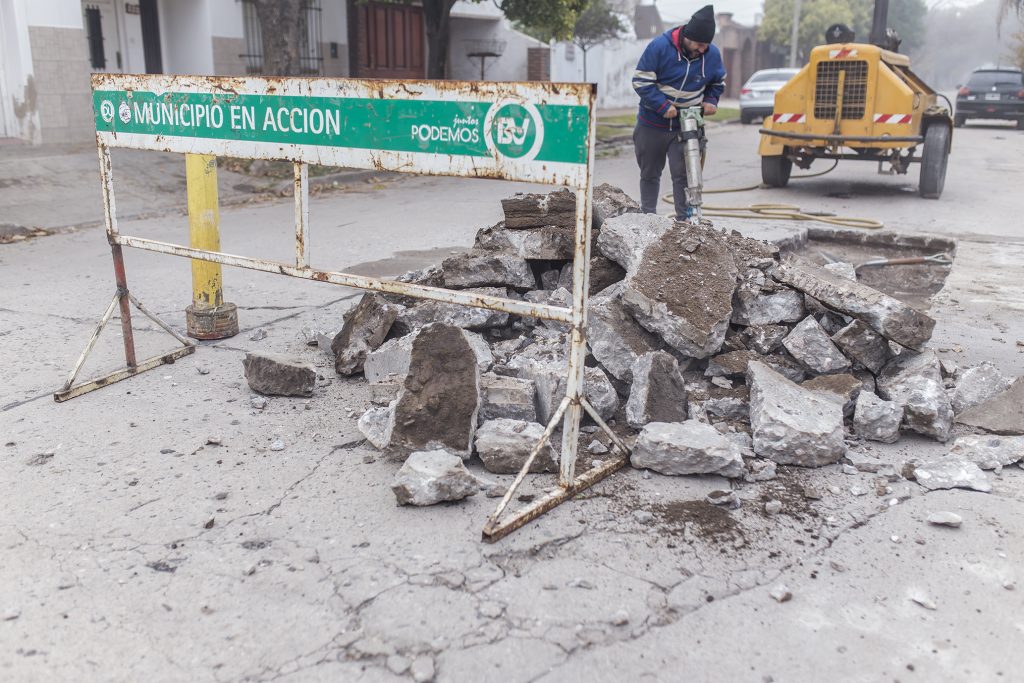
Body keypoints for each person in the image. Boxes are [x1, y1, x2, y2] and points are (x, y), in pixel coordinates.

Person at [631, 4, 726, 221]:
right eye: (700, 44)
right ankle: (648, 218)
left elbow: (717, 82)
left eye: (706, 45)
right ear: (687, 36)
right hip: (652, 123)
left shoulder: (711, 54)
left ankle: (685, 220)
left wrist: (711, 100)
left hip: (687, 124)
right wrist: (663, 107)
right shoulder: (659, 47)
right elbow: (641, 81)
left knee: (683, 175)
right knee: (650, 174)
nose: (703, 49)